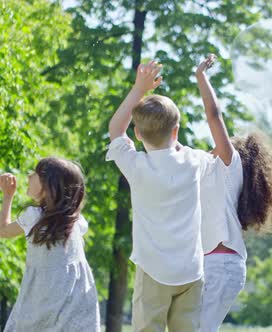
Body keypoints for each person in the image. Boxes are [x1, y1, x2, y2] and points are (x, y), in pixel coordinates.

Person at [106, 59, 222, 331]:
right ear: (176, 131)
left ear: (137, 133)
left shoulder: (137, 167)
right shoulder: (193, 161)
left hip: (153, 270)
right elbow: (212, 152)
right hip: (191, 271)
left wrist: (138, 89)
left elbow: (115, 130)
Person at [196, 55, 272, 331]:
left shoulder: (230, 166)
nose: (213, 146)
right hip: (220, 266)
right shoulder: (210, 177)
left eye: (220, 144)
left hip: (219, 267)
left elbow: (214, 117)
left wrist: (201, 77)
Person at [0, 158, 100, 331]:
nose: (29, 176)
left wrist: (8, 196)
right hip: (74, 305)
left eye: (35, 174)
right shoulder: (76, 222)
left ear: (49, 187)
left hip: (41, 301)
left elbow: (3, 231)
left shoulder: (34, 216)